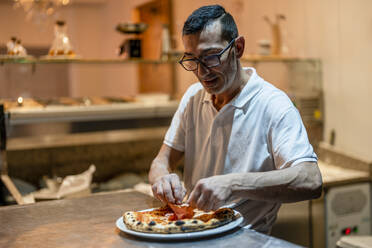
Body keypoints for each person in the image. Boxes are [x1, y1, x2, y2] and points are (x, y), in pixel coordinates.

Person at [149, 4, 322, 234]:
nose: (202, 72)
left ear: (237, 47)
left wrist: (233, 184)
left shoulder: (273, 105)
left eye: (211, 57)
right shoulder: (193, 98)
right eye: (193, 60)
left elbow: (310, 179)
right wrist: (162, 179)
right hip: (192, 234)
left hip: (245, 239)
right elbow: (161, 161)